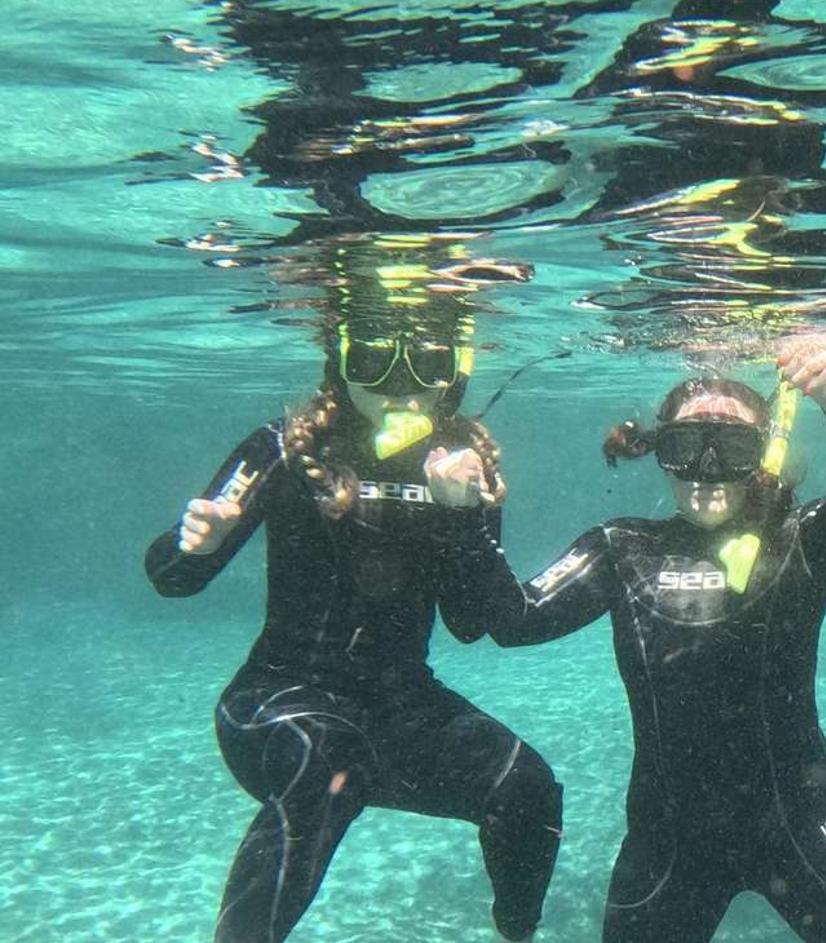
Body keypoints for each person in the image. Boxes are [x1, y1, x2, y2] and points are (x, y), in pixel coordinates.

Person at [142, 270, 562, 943]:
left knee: (529, 786)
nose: (398, 381)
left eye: (423, 361)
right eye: (371, 357)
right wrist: (193, 545)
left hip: (401, 703)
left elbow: (470, 622)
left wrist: (461, 517)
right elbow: (173, 578)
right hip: (278, 695)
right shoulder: (284, 446)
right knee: (325, 764)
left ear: (453, 368)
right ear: (339, 359)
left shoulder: (466, 462)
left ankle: (516, 931)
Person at [481, 334, 826, 942]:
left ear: (762, 456)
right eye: (687, 446)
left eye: (732, 449)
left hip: (803, 817)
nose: (707, 470)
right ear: (659, 450)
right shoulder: (621, 548)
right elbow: (512, 621)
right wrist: (470, 510)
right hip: (669, 839)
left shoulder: (801, 540)